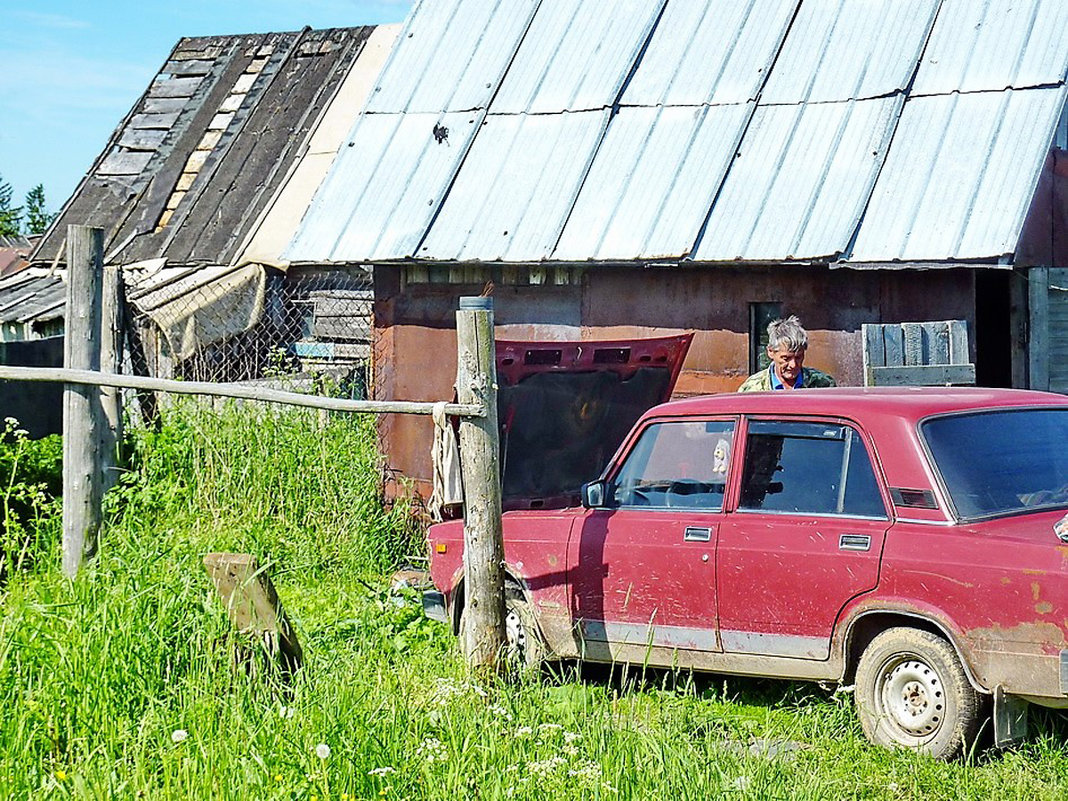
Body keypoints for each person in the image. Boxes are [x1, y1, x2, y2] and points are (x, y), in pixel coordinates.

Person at [737, 315, 836, 392]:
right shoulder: (752, 389)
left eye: (798, 357)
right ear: (770, 352)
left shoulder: (823, 385)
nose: (793, 365)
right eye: (786, 358)